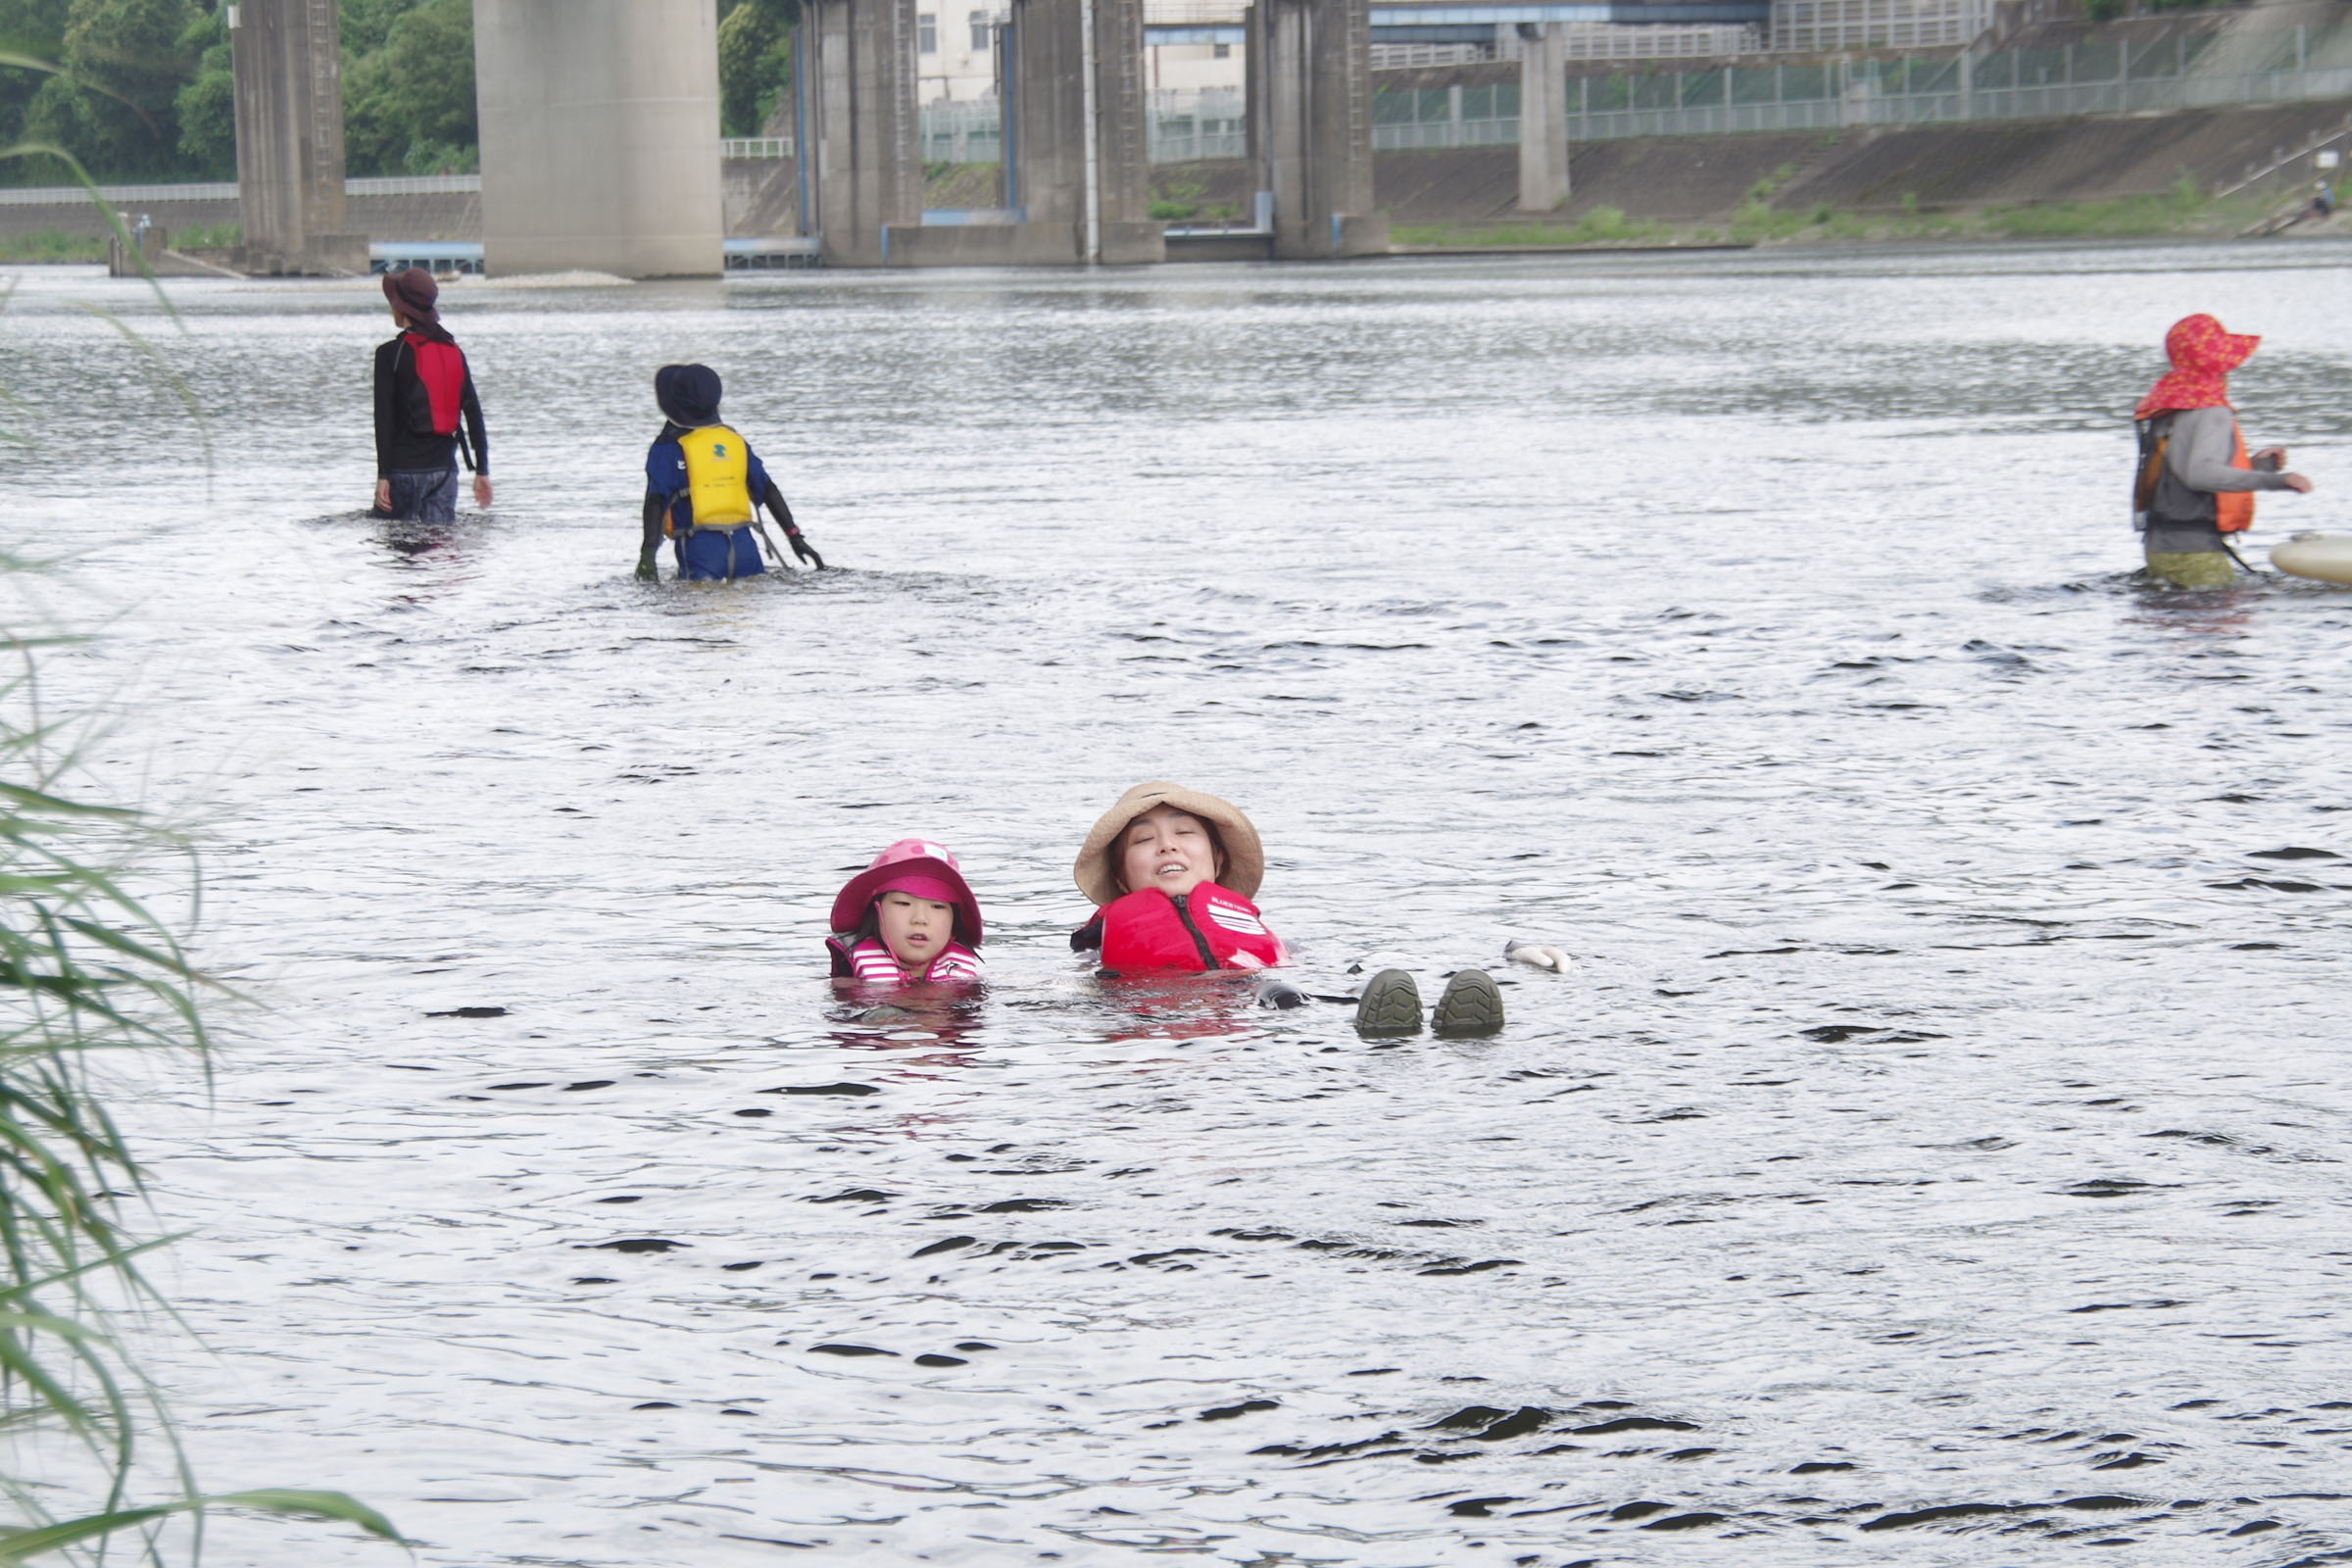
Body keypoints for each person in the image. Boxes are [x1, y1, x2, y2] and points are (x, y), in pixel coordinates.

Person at [1069, 781, 1503, 1037]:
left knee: (1292, 992)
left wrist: (1512, 954)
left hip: (1265, 997)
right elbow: (1065, 991)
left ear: (1218, 862)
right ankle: (1380, 1031)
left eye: (1184, 832)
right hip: (1161, 1015)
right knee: (1279, 996)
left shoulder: (1271, 941)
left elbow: (1334, 967)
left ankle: (1428, 1018)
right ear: (1123, 880)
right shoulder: (1098, 952)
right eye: (1144, 841)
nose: (1167, 844)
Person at [2132, 314, 2312, 590]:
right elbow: (2201, 475)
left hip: (2160, 549)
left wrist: (2256, 466)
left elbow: (2182, 472)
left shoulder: (2170, 408)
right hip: (2194, 554)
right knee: (2223, 625)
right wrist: (2278, 481)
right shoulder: (2211, 412)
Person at [640, 365, 823, 582]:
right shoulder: (735, 441)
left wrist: (647, 554)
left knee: (696, 610)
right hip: (746, 549)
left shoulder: (667, 448)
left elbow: (656, 501)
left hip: (700, 552)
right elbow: (767, 489)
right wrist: (795, 537)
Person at [372, 269, 490, 522]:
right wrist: (482, 470)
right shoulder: (454, 351)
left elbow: (383, 419)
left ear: (401, 307)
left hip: (402, 472)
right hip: (444, 474)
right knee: (438, 551)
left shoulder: (389, 354)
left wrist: (383, 475)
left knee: (397, 555)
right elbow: (473, 412)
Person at [828, 839, 984, 984]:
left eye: (937, 906)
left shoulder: (970, 986)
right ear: (875, 912)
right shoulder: (846, 985)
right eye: (903, 903)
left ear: (954, 924)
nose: (920, 919)